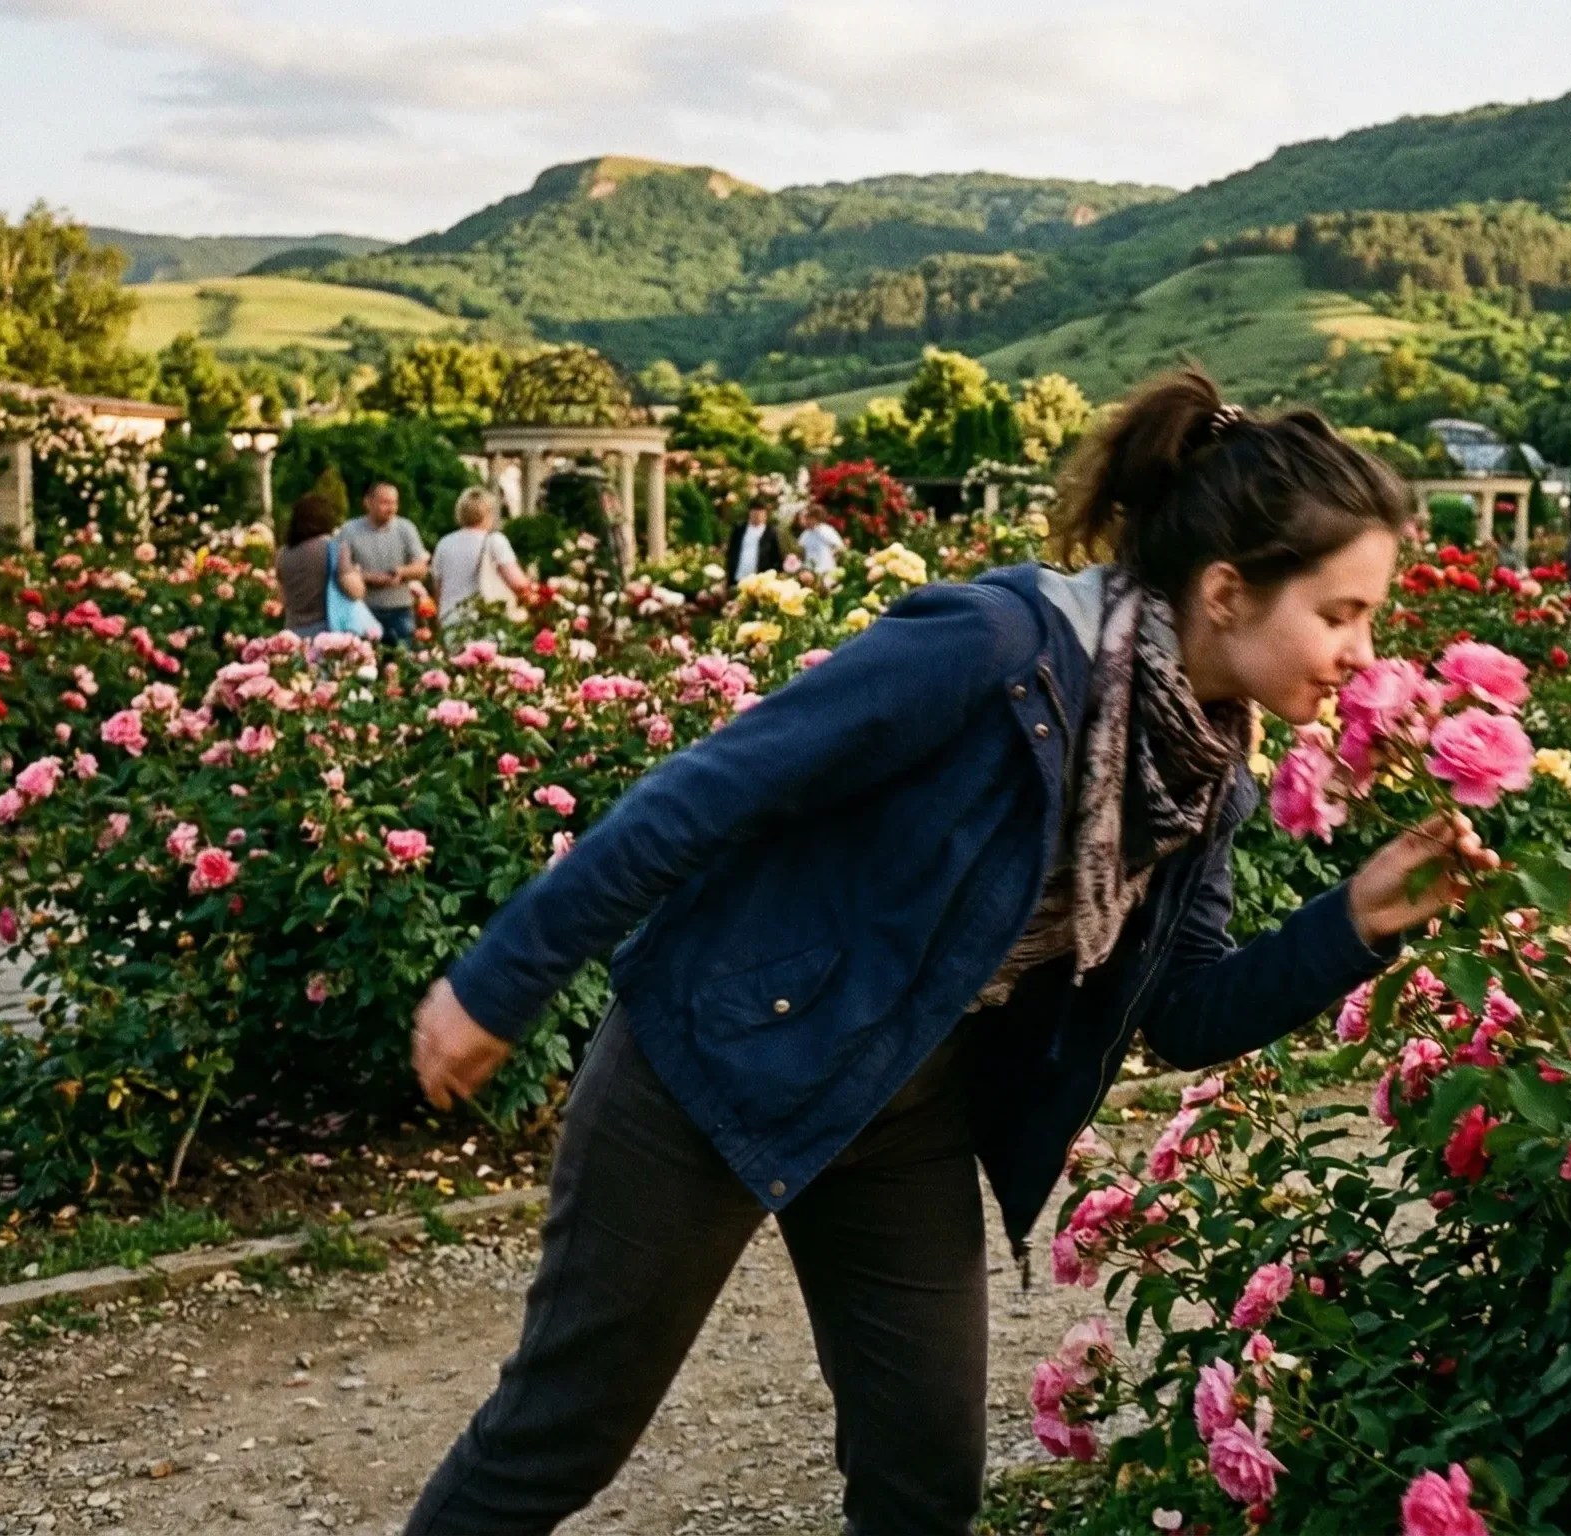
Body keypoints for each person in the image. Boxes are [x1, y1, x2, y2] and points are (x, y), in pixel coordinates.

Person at [398, 368, 1494, 1536]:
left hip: (902, 1103)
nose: (1362, 651)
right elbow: (701, 798)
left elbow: (1180, 1015)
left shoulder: (1199, 776)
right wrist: (496, 985)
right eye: (1340, 613)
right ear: (1227, 590)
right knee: (558, 1440)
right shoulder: (995, 647)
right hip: (715, 1063)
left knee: (925, 1479)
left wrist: (1356, 921)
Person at [338, 482, 431, 646]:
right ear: (368, 503)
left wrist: (402, 571)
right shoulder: (350, 530)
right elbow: (341, 571)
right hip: (364, 610)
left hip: (400, 610)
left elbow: (421, 568)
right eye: (385, 503)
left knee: (402, 663)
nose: (391, 508)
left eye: (394, 502)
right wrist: (373, 578)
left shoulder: (406, 528)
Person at [433, 487, 535, 627]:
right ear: (487, 514)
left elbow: (439, 588)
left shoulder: (443, 544)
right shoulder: (495, 541)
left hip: (450, 621)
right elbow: (518, 584)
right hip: (483, 621)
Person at [275, 493, 351, 639]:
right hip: (327, 632)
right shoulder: (333, 548)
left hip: (293, 632)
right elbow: (353, 590)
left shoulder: (283, 553)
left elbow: (282, 599)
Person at [727, 501, 787, 585]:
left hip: (760, 580)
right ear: (750, 513)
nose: (757, 516)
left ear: (765, 515)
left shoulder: (771, 533)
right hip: (738, 576)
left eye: (760, 513)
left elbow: (777, 556)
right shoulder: (739, 530)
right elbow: (731, 552)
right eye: (754, 513)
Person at [797, 506, 847, 579]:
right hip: (811, 572)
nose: (803, 520)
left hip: (827, 571)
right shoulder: (805, 534)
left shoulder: (826, 530)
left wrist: (832, 555)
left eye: (806, 517)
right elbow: (801, 551)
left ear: (813, 518)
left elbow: (840, 547)